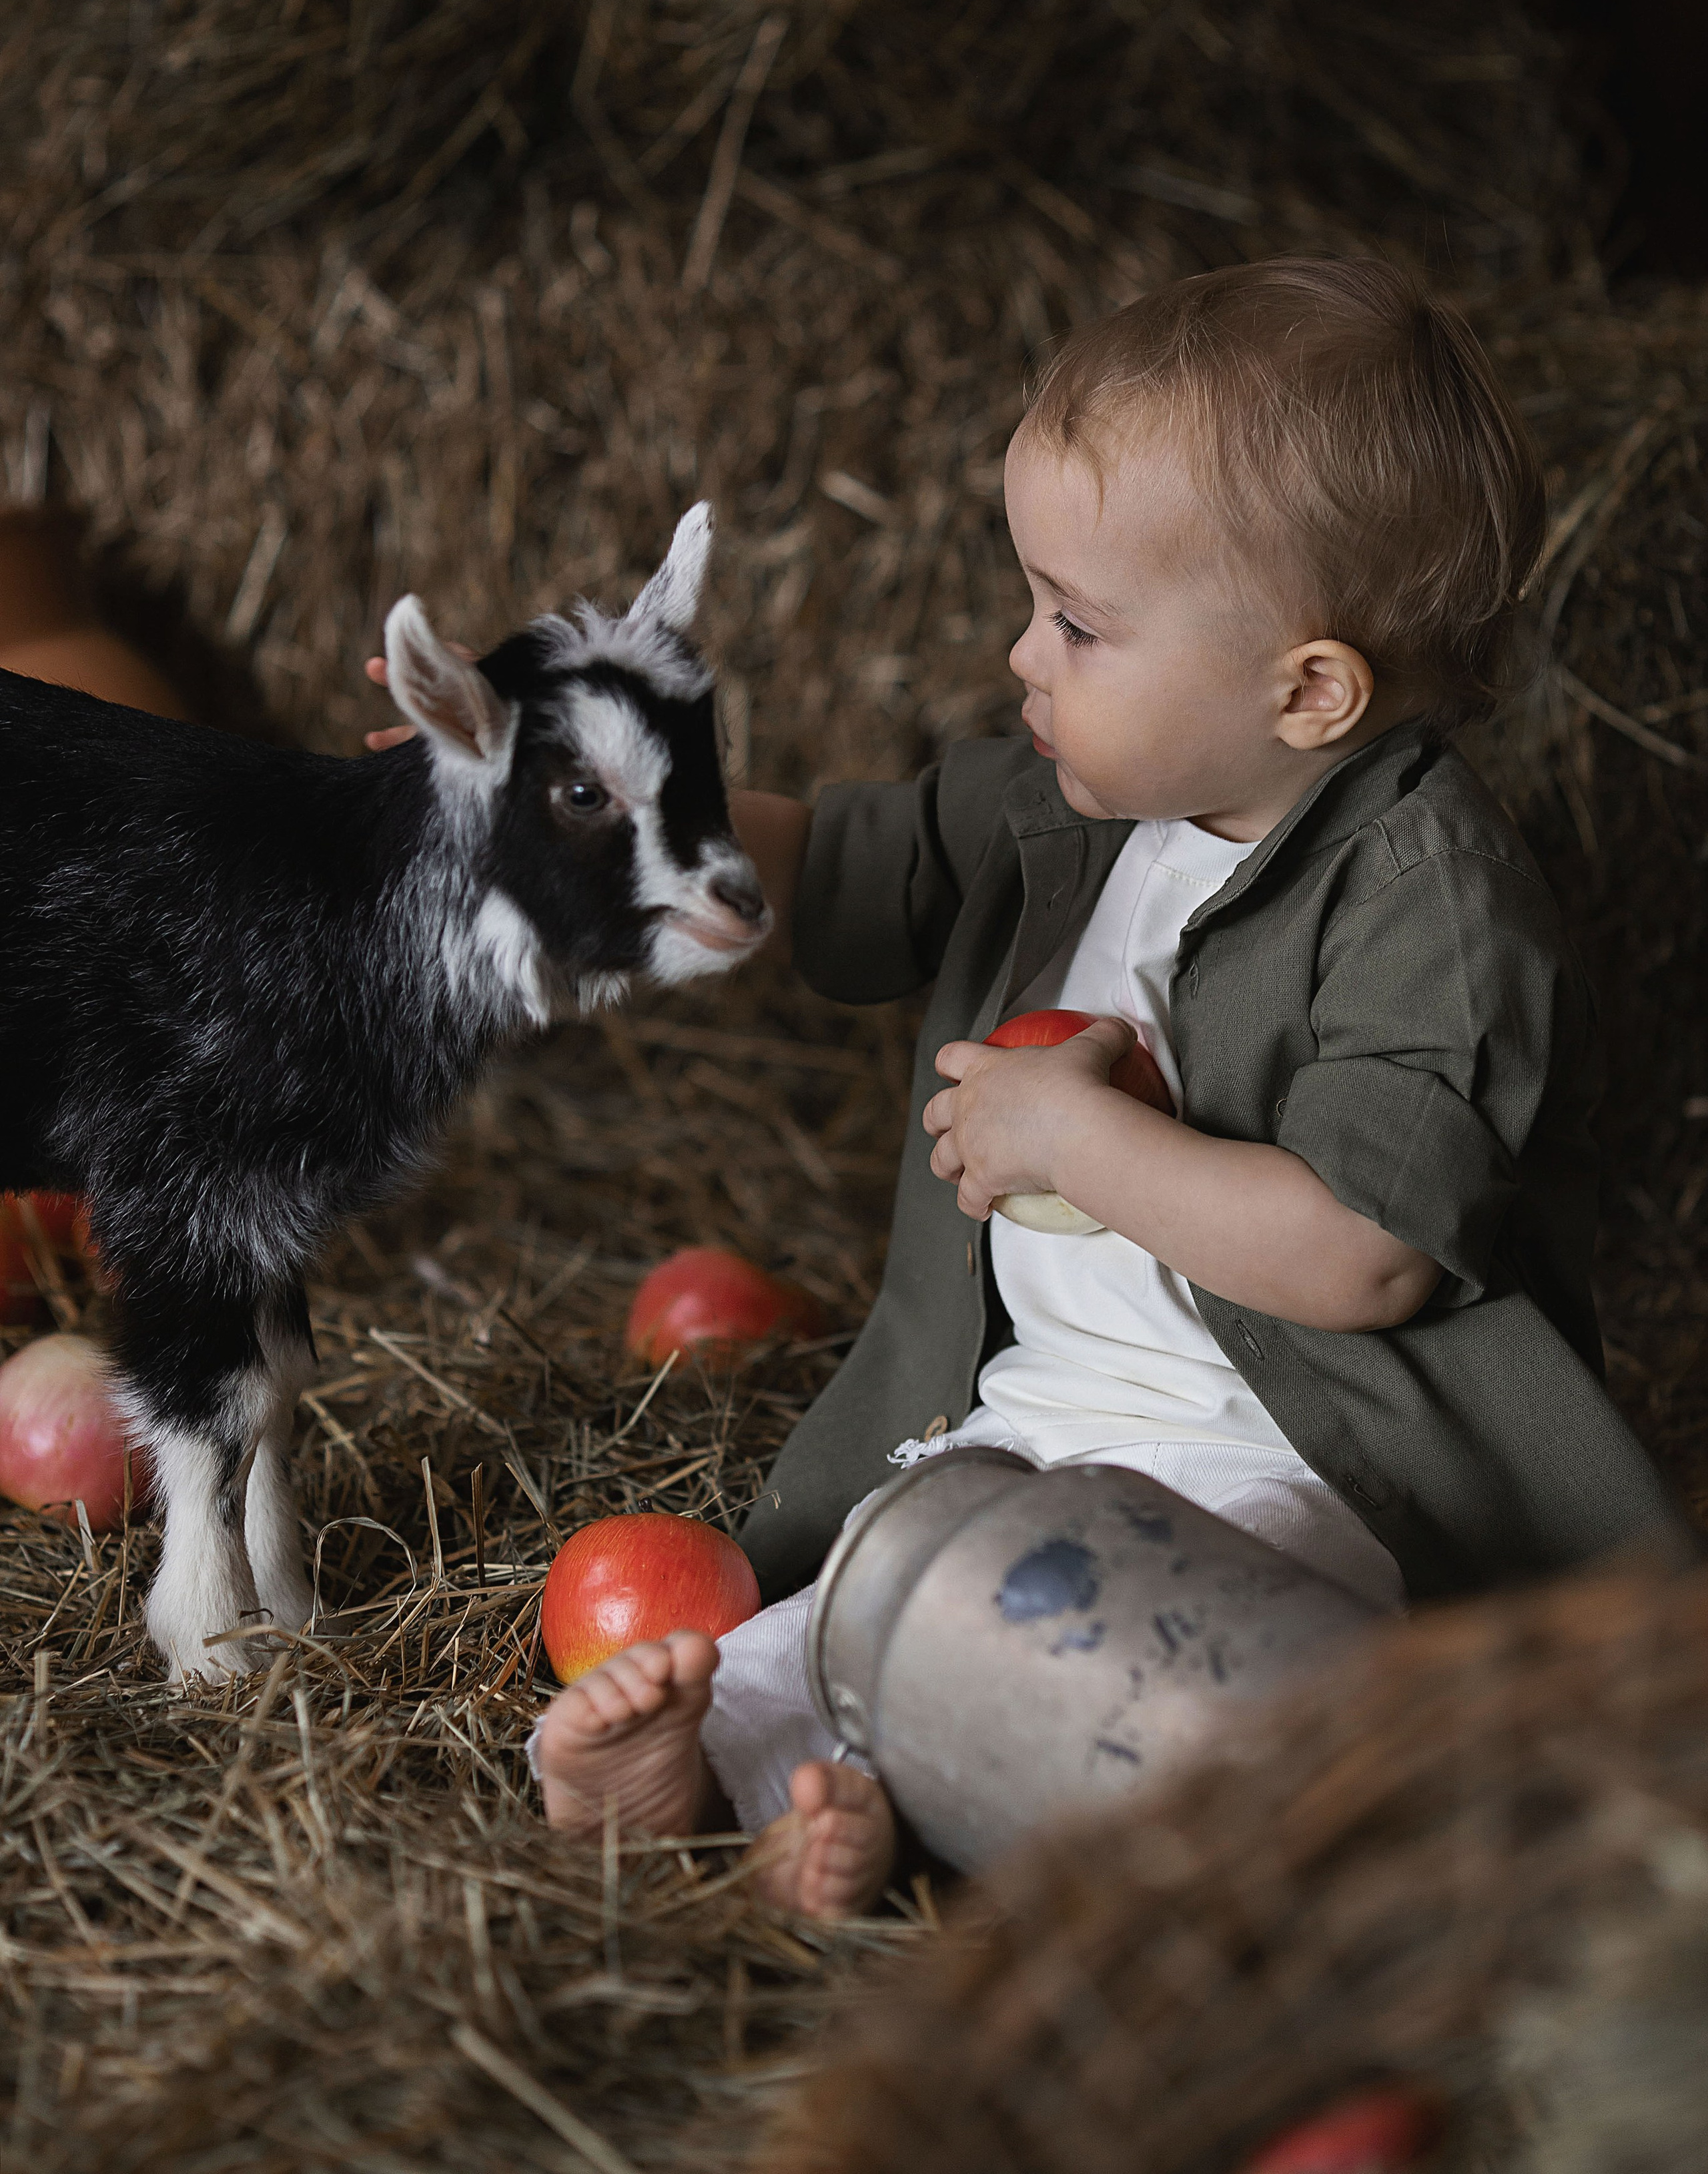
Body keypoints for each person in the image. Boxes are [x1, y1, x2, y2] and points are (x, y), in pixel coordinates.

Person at [381, 258, 1688, 1921]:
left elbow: (1367, 1255)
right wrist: (551, 790)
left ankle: (936, 1812)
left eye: (1076, 622)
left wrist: (1079, 1136)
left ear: (1307, 692)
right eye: (1032, 600)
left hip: (1290, 1475)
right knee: (861, 1601)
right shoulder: (1063, 804)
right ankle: (733, 1777)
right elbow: (812, 859)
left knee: (1199, 1688)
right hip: (1012, 1429)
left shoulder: (1422, 900)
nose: (1021, 653)